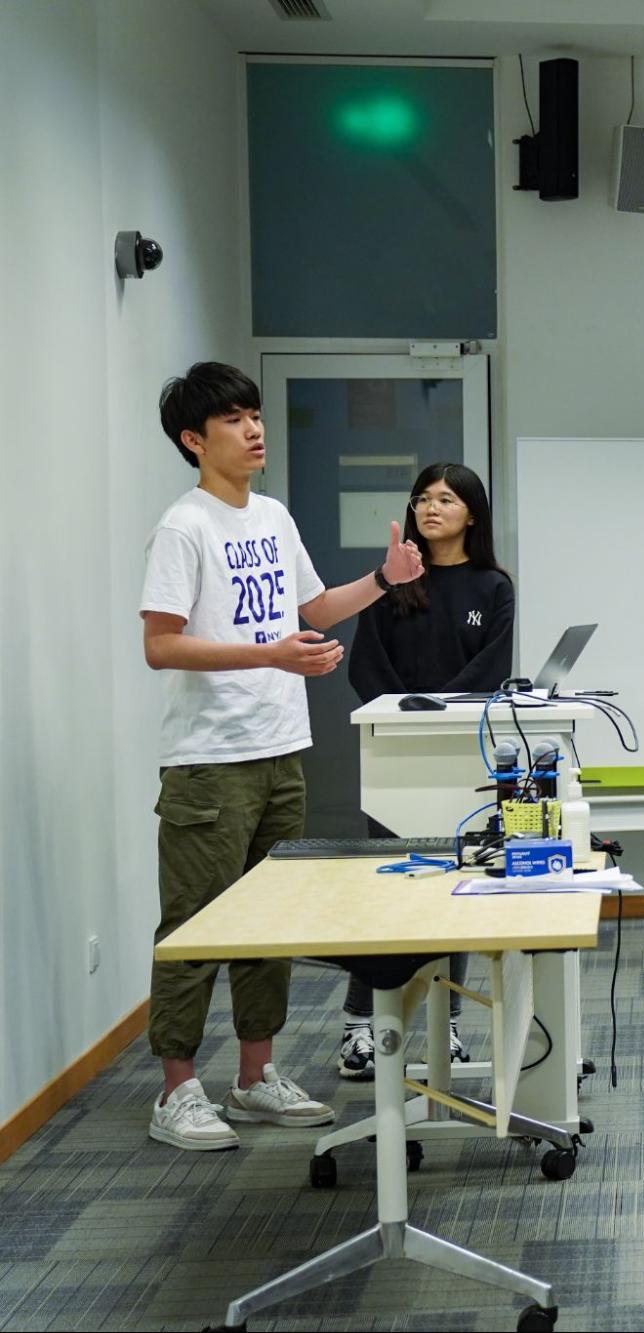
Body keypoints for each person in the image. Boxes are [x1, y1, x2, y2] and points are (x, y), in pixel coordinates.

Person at [141, 363, 424, 1151]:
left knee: (272, 919)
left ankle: (255, 1075)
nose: (255, 429)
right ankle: (176, 1088)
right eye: (234, 419)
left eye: (256, 414)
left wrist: (381, 578)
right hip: (208, 759)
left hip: (279, 749)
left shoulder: (271, 515)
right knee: (195, 924)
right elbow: (160, 644)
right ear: (195, 440)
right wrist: (267, 656)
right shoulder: (184, 526)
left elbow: (314, 608)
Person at [337, 462, 515, 1079]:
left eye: (445, 499)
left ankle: (449, 1026)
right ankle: (360, 1027)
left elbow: (490, 669)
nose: (429, 508)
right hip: (394, 756)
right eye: (422, 499)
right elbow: (367, 665)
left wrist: (440, 713)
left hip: (461, 758)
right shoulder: (391, 581)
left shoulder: (493, 586)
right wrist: (404, 715)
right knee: (389, 890)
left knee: (457, 891)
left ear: (472, 512)